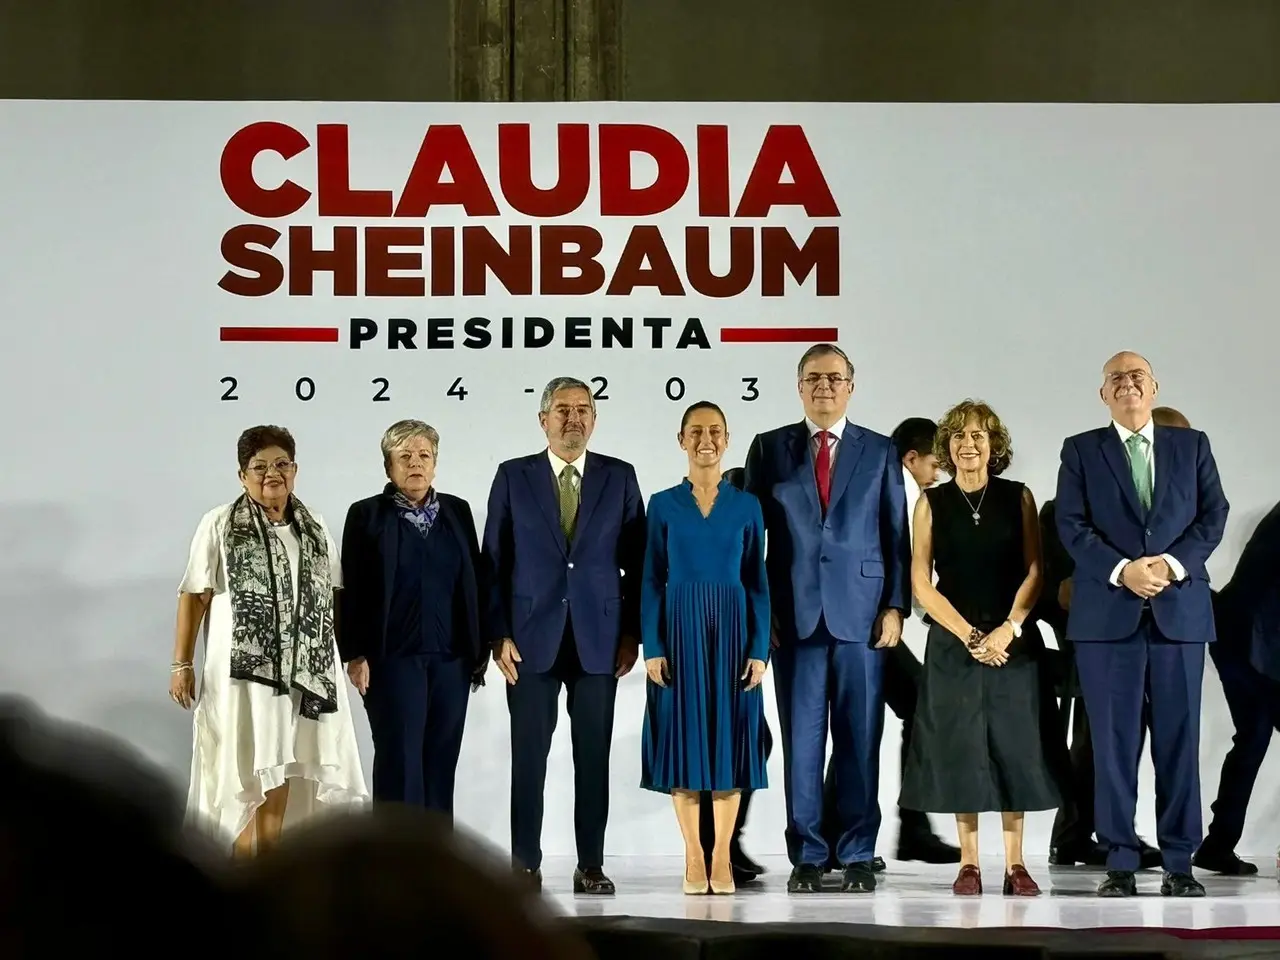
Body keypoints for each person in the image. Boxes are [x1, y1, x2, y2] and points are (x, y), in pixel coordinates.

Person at [1055, 352, 1228, 897]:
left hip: (1179, 615)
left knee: (1179, 742)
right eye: (1116, 379)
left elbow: (1213, 515)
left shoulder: (1191, 444)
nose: (1127, 385)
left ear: (1154, 387)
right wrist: (1122, 569)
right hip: (1108, 619)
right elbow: (1070, 522)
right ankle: (1120, 861)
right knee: (1112, 744)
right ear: (1102, 394)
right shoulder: (1081, 450)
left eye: (1137, 377)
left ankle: (1180, 862)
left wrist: (1170, 566)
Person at [745, 343, 911, 894]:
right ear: (798, 387)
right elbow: (750, 543)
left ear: (851, 386)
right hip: (793, 617)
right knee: (803, 742)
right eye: (813, 378)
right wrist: (757, 613)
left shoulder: (881, 450)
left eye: (835, 378)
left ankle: (860, 852)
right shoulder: (769, 448)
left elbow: (895, 534)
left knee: (862, 739)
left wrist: (896, 605)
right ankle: (809, 855)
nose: (824, 387)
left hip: (863, 619)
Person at [170, 425, 368, 857]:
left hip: (305, 675)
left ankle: (270, 869)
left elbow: (332, 596)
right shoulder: (220, 523)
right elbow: (195, 594)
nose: (271, 474)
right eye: (259, 467)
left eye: (281, 464)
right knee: (245, 765)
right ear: (242, 476)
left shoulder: (312, 524)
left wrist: (344, 658)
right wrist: (180, 664)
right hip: (243, 678)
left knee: (281, 765)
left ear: (295, 470)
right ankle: (239, 872)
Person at [482, 377, 646, 894]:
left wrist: (632, 635)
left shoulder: (620, 477)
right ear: (543, 419)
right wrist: (497, 634)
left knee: (592, 758)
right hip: (530, 640)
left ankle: (591, 865)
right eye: (562, 410)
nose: (572, 418)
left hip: (600, 640)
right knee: (529, 758)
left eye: (582, 409)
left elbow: (638, 563)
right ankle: (524, 866)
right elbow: (494, 563)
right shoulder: (513, 476)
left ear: (594, 419)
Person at [899, 400, 1062, 896]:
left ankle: (1016, 865)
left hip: (1012, 639)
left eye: (979, 436)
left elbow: (1036, 570)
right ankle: (968, 863)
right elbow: (921, 583)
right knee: (961, 748)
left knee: (1016, 747)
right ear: (946, 446)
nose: (968, 444)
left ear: (995, 445)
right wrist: (969, 636)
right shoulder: (932, 503)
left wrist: (1008, 628)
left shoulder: (1019, 497)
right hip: (954, 642)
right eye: (958, 437)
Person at [1042, 405, 1192, 868]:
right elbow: (1049, 580)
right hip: (1096, 640)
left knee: (1159, 742)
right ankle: (1079, 836)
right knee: (1098, 744)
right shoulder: (1067, 504)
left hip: (1162, 632)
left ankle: (1126, 841)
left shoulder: (1180, 504)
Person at [640, 401, 770, 895]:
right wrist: (654, 645)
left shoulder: (748, 506)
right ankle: (694, 857)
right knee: (684, 743)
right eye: (695, 431)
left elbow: (758, 581)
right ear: (681, 439)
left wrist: (759, 648)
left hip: (734, 636)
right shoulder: (662, 503)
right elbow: (651, 579)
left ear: (727, 438)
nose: (705, 440)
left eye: (714, 431)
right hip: (679, 634)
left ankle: (722, 857)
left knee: (731, 745)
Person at [339, 420, 486, 817]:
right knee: (400, 760)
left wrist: (480, 649)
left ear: (435, 464)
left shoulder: (457, 511)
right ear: (388, 467)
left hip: (451, 659)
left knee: (440, 762)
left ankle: (438, 865)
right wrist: (354, 654)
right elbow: (348, 589)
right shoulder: (366, 515)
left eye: (424, 455)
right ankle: (396, 864)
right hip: (391, 659)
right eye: (404, 457)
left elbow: (473, 580)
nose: (415, 464)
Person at [1193, 500, 1280, 876]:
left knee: (1253, 736)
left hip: (1246, 635)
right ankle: (1217, 844)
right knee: (1253, 736)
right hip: (1252, 639)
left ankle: (1217, 845)